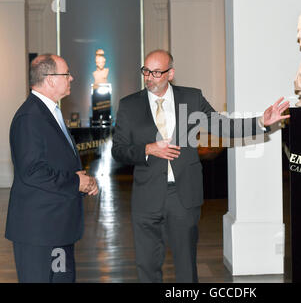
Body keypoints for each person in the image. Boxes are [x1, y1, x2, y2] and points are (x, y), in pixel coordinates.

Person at [112, 49, 290, 283]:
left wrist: (260, 122)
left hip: (183, 195)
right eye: (146, 71)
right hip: (146, 196)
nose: (149, 77)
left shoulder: (191, 98)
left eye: (156, 72)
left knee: (186, 264)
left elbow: (223, 126)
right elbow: (119, 150)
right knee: (147, 264)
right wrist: (147, 149)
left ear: (170, 73)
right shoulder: (129, 105)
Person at [5, 54, 98, 283]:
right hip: (38, 233)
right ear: (50, 80)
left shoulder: (49, 112)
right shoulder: (29, 117)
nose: (72, 78)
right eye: (66, 74)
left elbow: (57, 162)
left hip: (57, 228)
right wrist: (76, 182)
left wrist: (82, 182)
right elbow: (33, 171)